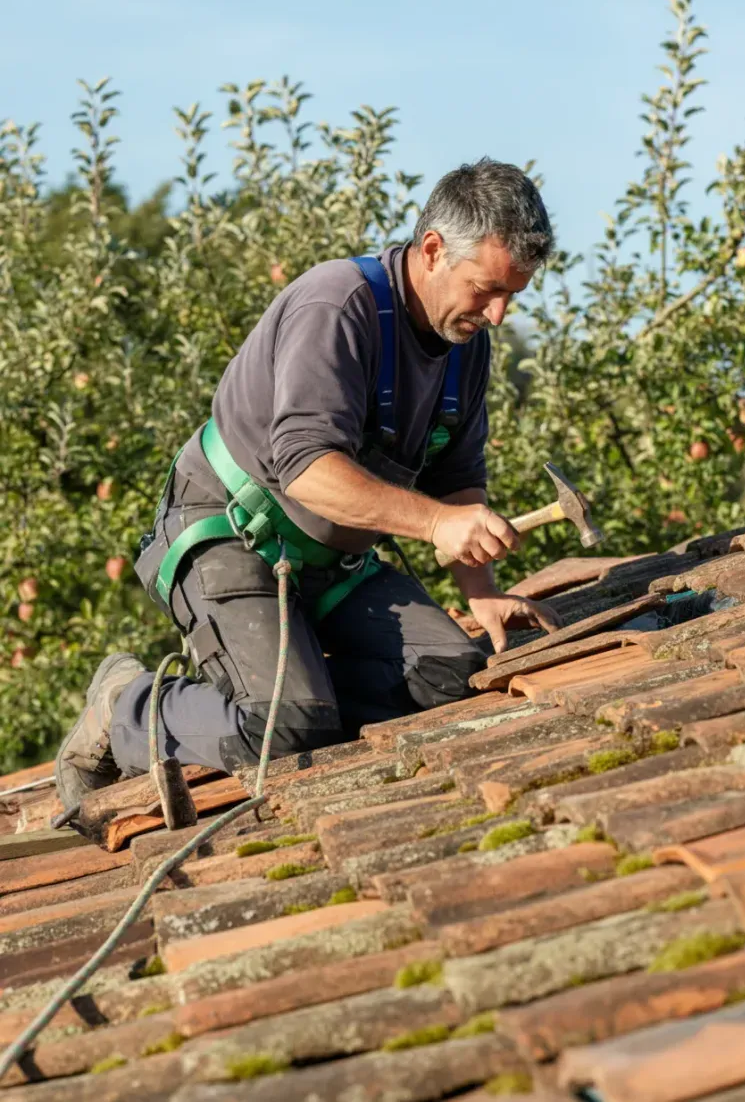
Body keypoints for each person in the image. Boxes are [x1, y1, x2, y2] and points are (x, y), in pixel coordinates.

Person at [55, 157, 561, 808]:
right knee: (288, 728)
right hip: (231, 533)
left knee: (452, 678)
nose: (497, 314)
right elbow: (308, 469)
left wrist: (482, 591)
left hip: (334, 565)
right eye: (487, 289)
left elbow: (459, 476)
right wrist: (436, 524)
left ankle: (302, 692)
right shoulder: (339, 305)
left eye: (512, 295)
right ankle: (125, 704)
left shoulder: (467, 348)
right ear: (432, 250)